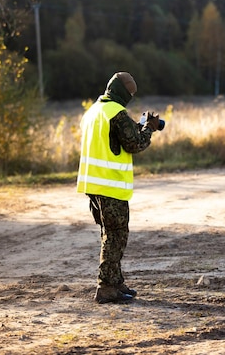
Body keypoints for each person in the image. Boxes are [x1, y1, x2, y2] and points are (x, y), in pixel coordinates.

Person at [77, 72, 161, 303]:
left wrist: (137, 127)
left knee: (109, 233)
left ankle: (115, 282)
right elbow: (135, 143)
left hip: (92, 183)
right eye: (130, 94)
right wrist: (149, 129)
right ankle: (105, 287)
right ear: (123, 93)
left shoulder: (93, 111)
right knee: (116, 235)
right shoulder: (117, 113)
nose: (130, 98)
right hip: (109, 184)